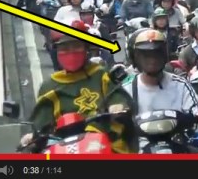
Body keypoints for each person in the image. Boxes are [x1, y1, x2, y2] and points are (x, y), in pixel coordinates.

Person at [20, 20, 134, 153]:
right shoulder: (49, 86)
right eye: (64, 49)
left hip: (105, 139)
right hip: (63, 146)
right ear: (56, 52)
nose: (71, 52)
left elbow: (117, 96)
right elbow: (40, 122)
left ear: (86, 49)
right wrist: (32, 136)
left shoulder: (100, 74)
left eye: (76, 46)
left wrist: (117, 106)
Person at [122, 28, 198, 121]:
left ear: (165, 55)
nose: (152, 60)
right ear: (136, 58)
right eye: (146, 55)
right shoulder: (126, 91)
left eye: (157, 53)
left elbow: (195, 111)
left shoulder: (181, 85)